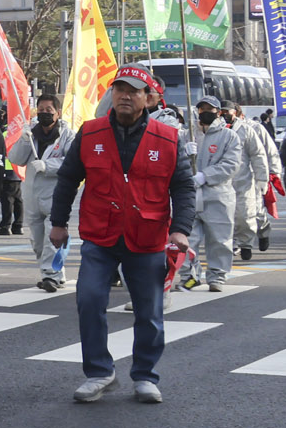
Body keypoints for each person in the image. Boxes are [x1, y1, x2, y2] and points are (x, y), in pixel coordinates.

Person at [45, 66, 196, 404]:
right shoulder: (91, 132)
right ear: (111, 94)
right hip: (101, 234)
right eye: (119, 89)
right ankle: (99, 372)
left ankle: (145, 375)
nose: (125, 96)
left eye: (135, 90)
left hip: (147, 237)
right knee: (89, 299)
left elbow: (183, 186)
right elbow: (68, 178)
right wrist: (58, 223)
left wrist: (181, 230)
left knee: (149, 310)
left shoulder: (168, 138)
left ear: (150, 98)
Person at [7, 92, 73, 292]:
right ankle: (55, 274)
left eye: (49, 110)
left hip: (55, 194)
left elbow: (73, 162)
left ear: (58, 112)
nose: (44, 114)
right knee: (37, 240)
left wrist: (47, 164)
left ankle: (49, 276)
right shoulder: (31, 134)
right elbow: (16, 159)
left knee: (51, 239)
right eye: (41, 110)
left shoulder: (67, 136)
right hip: (32, 195)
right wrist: (24, 140)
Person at [190, 95, 243, 290]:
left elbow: (231, 164)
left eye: (210, 109)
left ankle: (217, 276)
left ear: (218, 112)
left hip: (218, 194)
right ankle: (190, 275)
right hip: (191, 194)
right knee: (187, 238)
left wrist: (205, 176)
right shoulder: (188, 134)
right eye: (202, 109)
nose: (205, 112)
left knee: (219, 239)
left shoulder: (229, 137)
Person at [229, 105, 281, 259]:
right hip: (231, 178)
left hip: (253, 176)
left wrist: (272, 172)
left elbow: (267, 151)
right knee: (233, 213)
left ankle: (263, 231)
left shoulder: (254, 128)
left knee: (255, 211)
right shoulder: (220, 129)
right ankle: (238, 243)